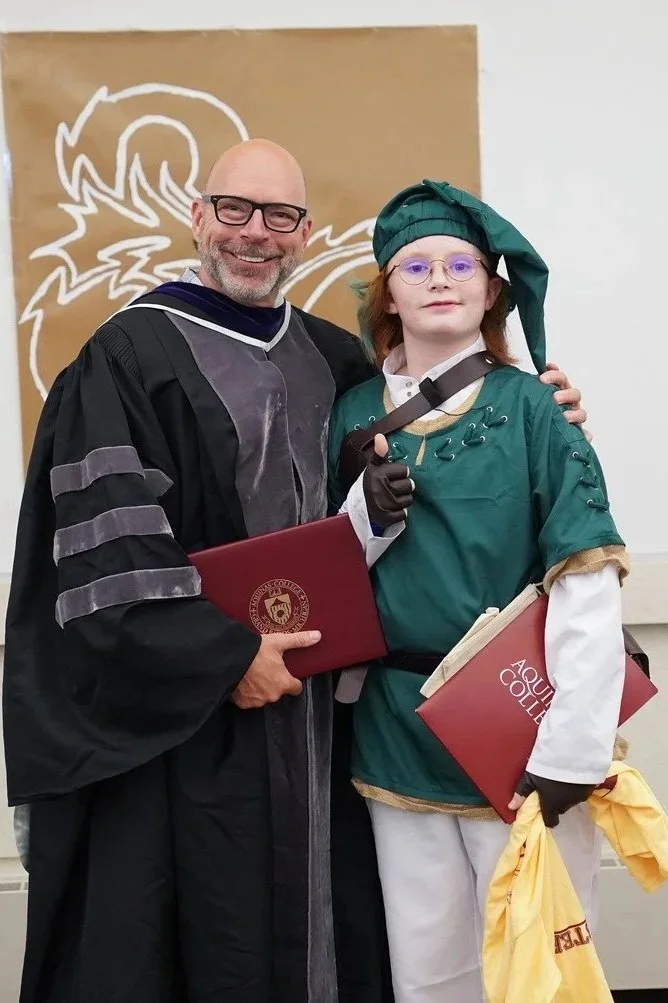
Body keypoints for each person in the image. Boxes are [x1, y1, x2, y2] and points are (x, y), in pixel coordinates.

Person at [3, 139, 585, 1003]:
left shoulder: (336, 361)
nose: (255, 234)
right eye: (234, 210)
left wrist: (545, 405)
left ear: (307, 233)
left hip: (336, 721)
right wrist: (226, 657)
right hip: (196, 729)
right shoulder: (127, 358)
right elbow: (107, 556)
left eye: (279, 217)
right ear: (198, 217)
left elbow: (456, 468)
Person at [327, 178, 629, 1003]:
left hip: (521, 737)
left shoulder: (534, 408)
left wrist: (572, 748)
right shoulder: (351, 411)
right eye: (414, 264)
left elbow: (586, 578)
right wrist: (364, 515)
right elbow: (320, 579)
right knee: (429, 971)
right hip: (397, 732)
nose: (439, 278)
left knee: (539, 970)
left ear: (492, 288)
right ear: (385, 289)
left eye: (460, 262)